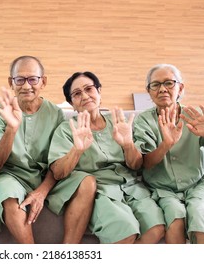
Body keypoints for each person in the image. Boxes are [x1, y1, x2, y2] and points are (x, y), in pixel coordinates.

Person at [48, 71, 165, 244]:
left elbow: (136, 165)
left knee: (156, 228)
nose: (85, 95)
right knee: (126, 233)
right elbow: (58, 172)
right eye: (77, 94)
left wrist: (127, 145)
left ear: (99, 92)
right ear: (71, 103)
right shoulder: (66, 129)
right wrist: (77, 150)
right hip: (101, 191)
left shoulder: (119, 123)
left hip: (132, 187)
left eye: (89, 89)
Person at [0, 55, 86, 243]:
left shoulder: (55, 114)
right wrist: (11, 129)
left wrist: (42, 191)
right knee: (9, 196)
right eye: (19, 79)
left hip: (47, 177)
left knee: (86, 181)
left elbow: (57, 163)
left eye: (33, 79)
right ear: (11, 82)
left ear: (43, 82)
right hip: (13, 176)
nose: (26, 86)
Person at [133, 64, 204, 244]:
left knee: (198, 213)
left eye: (169, 83)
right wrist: (166, 144)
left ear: (180, 88)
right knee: (175, 220)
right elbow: (144, 164)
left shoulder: (194, 116)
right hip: (163, 187)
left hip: (200, 181)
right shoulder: (143, 121)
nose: (162, 89)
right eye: (155, 85)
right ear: (149, 92)